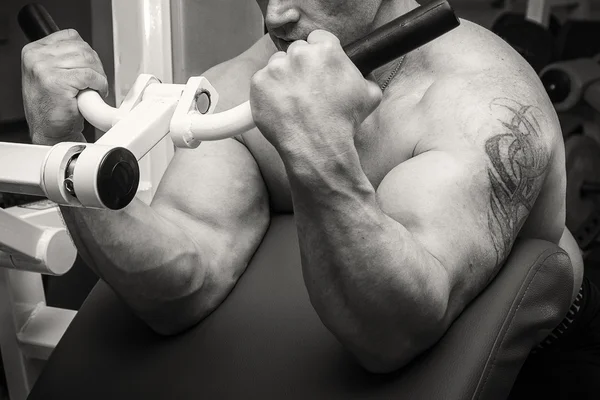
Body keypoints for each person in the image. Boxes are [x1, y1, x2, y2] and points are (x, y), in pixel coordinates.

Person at [20, 0, 592, 387]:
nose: (276, 13)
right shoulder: (244, 81)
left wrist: (316, 147)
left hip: (540, 358)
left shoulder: (480, 98)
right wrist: (64, 148)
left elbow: (391, 335)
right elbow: (182, 283)